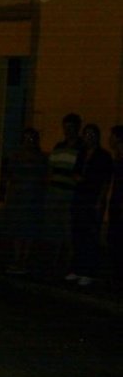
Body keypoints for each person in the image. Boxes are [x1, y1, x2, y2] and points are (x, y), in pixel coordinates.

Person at [64, 123, 112, 287]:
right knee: (78, 233)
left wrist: (100, 200)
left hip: (93, 198)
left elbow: (105, 181)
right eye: (86, 134)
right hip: (80, 197)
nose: (89, 138)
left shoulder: (103, 156)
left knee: (90, 235)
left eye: (92, 134)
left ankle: (89, 271)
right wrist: (77, 178)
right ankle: (77, 268)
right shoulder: (82, 153)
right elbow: (75, 172)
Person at [1, 127, 49, 275]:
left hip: (33, 198)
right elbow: (9, 177)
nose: (29, 142)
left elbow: (44, 178)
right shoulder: (16, 156)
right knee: (17, 229)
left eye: (31, 139)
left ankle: (25, 259)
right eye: (26, 138)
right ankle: (17, 258)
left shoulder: (41, 158)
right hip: (18, 197)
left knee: (29, 230)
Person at [43, 113, 84, 271]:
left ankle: (68, 262)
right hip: (54, 192)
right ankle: (54, 260)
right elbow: (50, 168)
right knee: (54, 227)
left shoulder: (81, 148)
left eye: (71, 127)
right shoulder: (59, 146)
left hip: (69, 194)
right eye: (66, 127)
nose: (68, 131)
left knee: (68, 229)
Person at [107, 125, 123, 293]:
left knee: (117, 240)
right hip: (116, 202)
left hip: (119, 204)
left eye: (112, 136)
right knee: (114, 239)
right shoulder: (117, 158)